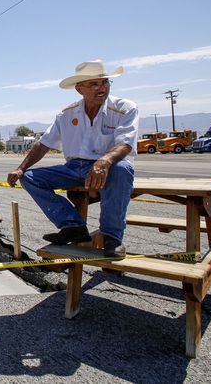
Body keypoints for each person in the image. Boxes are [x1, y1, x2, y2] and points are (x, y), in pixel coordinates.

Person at [7, 60, 138, 257]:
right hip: (74, 167)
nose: (101, 88)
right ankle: (73, 226)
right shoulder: (66, 114)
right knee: (30, 177)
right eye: (94, 84)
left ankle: (112, 237)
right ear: (79, 89)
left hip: (111, 166)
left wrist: (104, 160)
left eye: (105, 82)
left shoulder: (124, 108)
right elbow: (43, 144)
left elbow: (125, 144)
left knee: (122, 170)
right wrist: (20, 168)